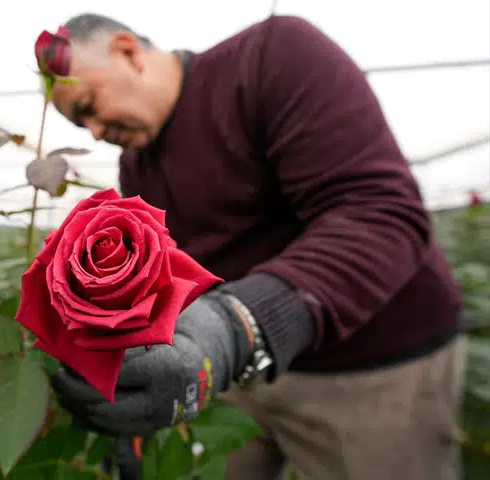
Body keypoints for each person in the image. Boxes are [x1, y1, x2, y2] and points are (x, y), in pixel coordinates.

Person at [47, 12, 467, 480]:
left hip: (371, 369)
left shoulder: (270, 59)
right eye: (80, 127)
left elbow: (380, 216)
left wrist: (238, 327)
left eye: (88, 106)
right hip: (232, 373)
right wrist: (135, 396)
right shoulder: (136, 168)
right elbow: (164, 282)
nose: (96, 133)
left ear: (127, 51)